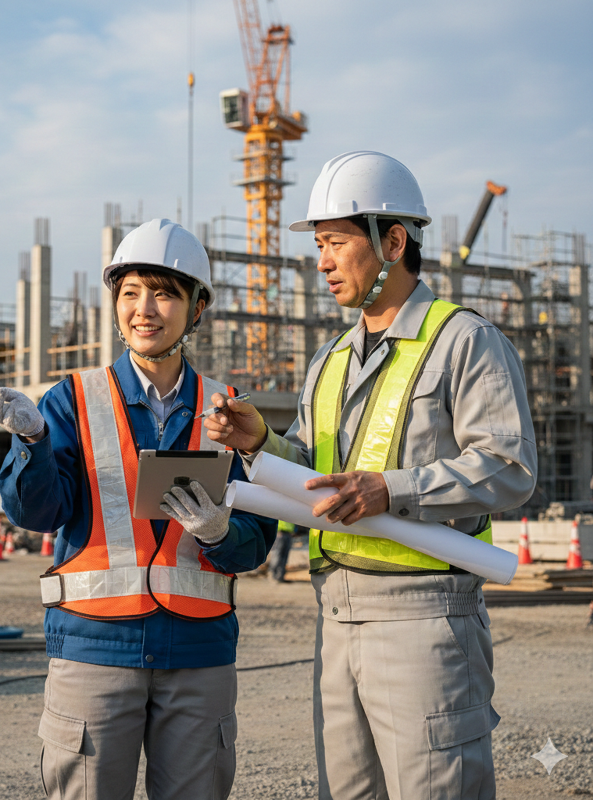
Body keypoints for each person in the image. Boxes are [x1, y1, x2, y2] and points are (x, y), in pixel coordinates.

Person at [204, 151, 537, 799]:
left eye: (336, 243)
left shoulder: (464, 341)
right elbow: (316, 476)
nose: (323, 262)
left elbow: (509, 468)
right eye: (319, 246)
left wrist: (392, 489)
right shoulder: (329, 359)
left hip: (426, 619)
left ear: (393, 242)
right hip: (334, 616)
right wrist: (262, 443)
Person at [0, 218, 275, 800]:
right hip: (94, 647)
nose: (144, 309)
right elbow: (38, 514)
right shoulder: (73, 398)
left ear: (197, 309)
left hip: (199, 652)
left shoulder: (228, 410)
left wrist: (221, 532)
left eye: (164, 293)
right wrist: (33, 444)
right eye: (131, 292)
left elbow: (257, 540)